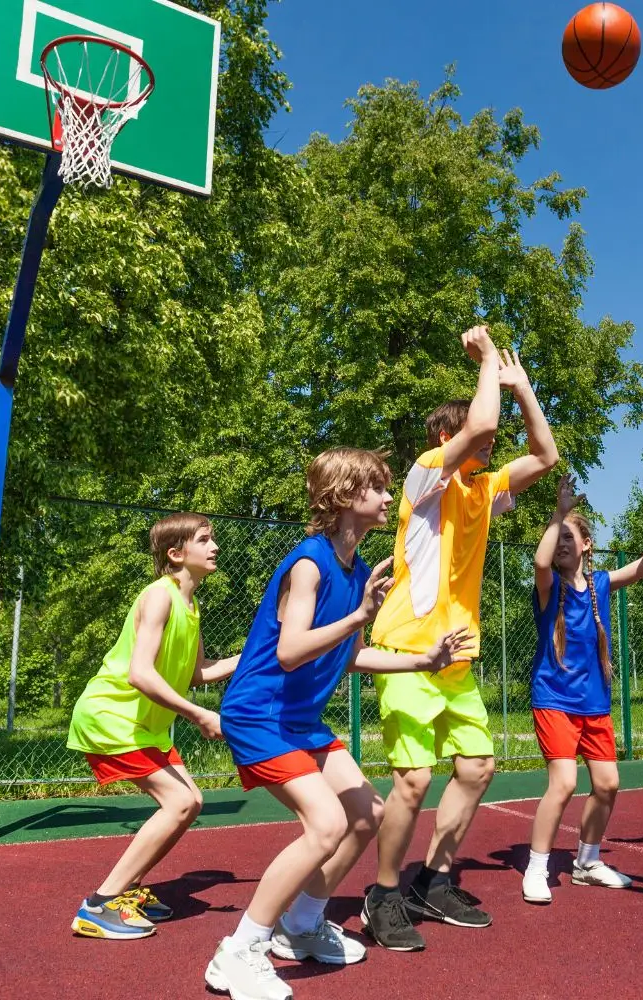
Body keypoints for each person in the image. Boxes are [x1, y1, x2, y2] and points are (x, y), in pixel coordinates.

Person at [205, 448, 475, 1000]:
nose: (388, 497)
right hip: (260, 714)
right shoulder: (309, 564)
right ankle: (238, 951)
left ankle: (301, 925)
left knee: (367, 813)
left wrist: (422, 661)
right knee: (326, 824)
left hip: (299, 718)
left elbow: (350, 657)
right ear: (347, 495)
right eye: (378, 487)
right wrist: (358, 617)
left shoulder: (356, 572)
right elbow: (289, 652)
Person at [363, 324, 559, 951]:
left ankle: (434, 880)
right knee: (413, 781)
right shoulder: (426, 478)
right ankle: (383, 894)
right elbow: (482, 425)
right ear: (446, 440)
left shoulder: (483, 489)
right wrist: (487, 361)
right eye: (474, 437)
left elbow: (546, 456)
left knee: (477, 768)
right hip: (406, 653)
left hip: (456, 658)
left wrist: (522, 388)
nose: (489, 441)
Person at [64, 513, 239, 940]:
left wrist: (254, 654)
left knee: (190, 803)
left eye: (213, 538)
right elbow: (140, 673)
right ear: (176, 554)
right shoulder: (159, 596)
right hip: (112, 718)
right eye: (205, 539)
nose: (215, 546)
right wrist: (199, 715)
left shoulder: (191, 606)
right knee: (179, 803)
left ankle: (127, 892)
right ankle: (100, 905)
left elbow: (197, 672)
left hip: (143, 725)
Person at [520, 472, 643, 904]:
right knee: (564, 782)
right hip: (555, 700)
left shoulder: (601, 584)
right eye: (557, 537)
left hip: (594, 704)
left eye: (569, 536)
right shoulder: (549, 588)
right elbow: (540, 563)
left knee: (607, 784)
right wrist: (559, 514)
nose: (561, 543)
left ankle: (586, 862)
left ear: (587, 545)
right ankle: (536, 868)